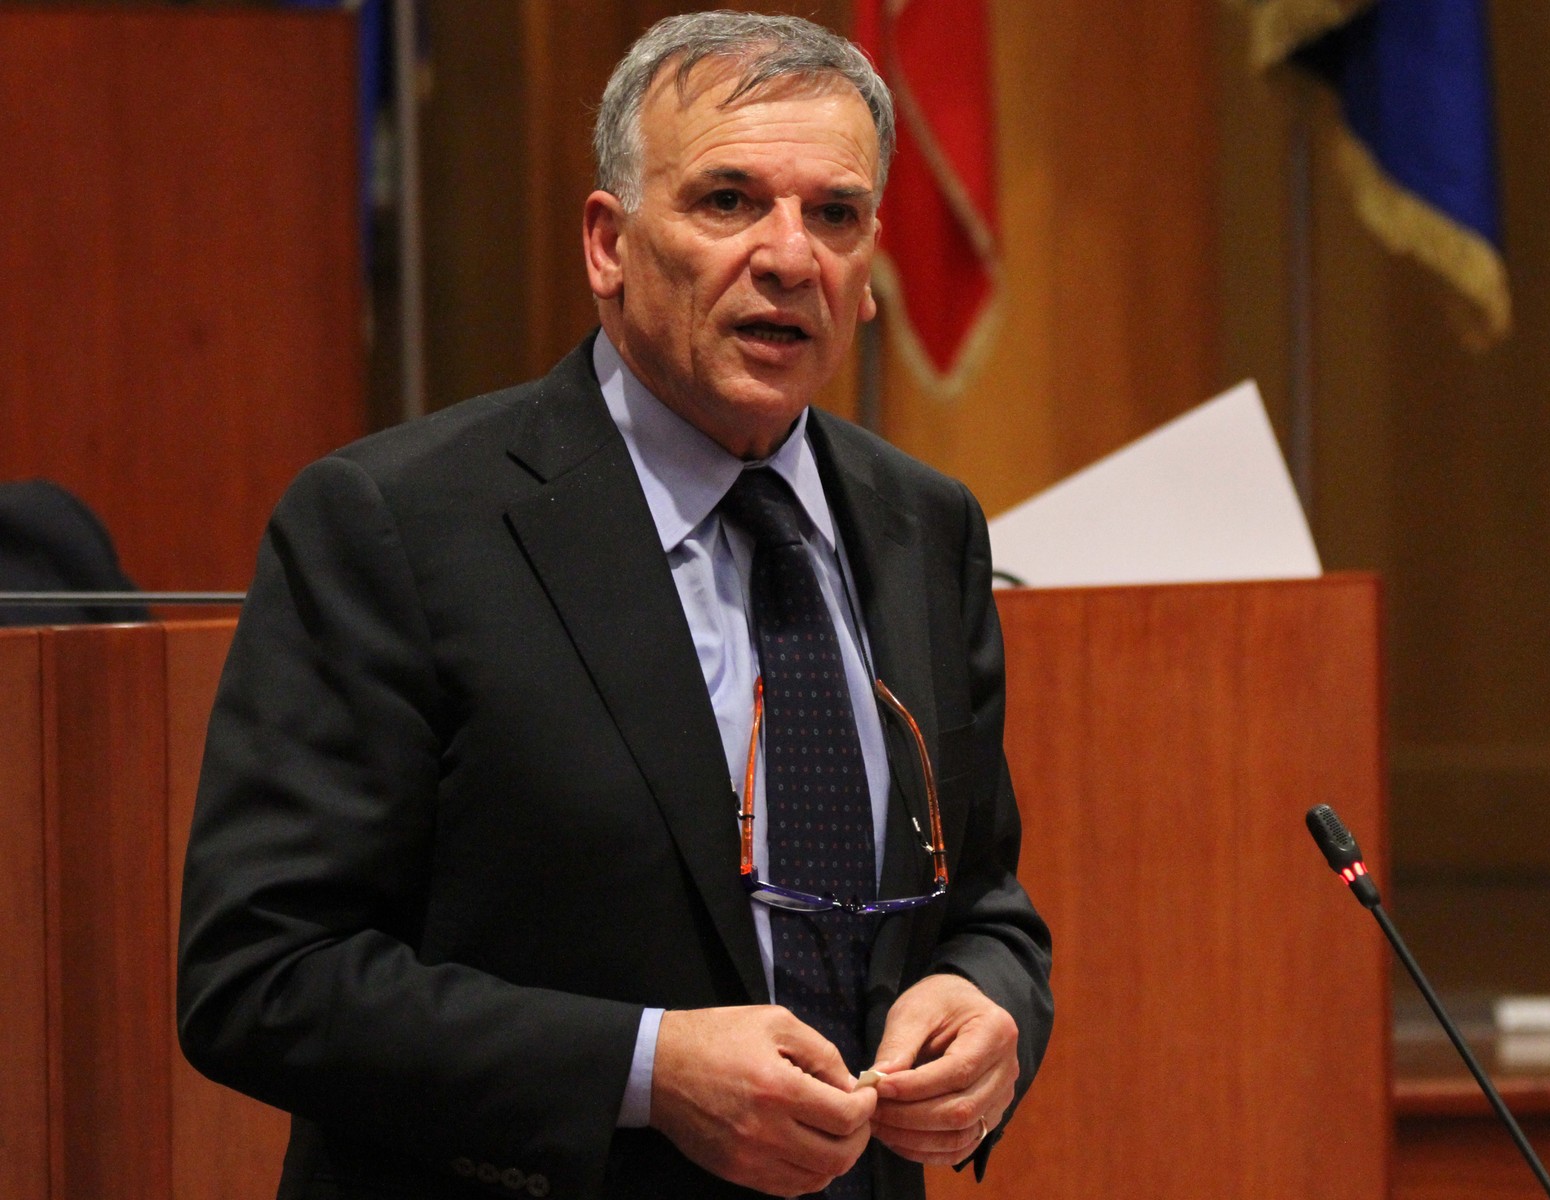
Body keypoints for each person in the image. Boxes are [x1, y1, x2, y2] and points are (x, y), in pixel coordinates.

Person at [177, 11, 1051, 1200]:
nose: (790, 256)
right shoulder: (395, 525)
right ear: (609, 244)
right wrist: (643, 1069)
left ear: (866, 273)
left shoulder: (924, 525)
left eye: (835, 214)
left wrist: (988, 1002)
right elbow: (260, 976)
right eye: (729, 201)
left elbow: (985, 906)